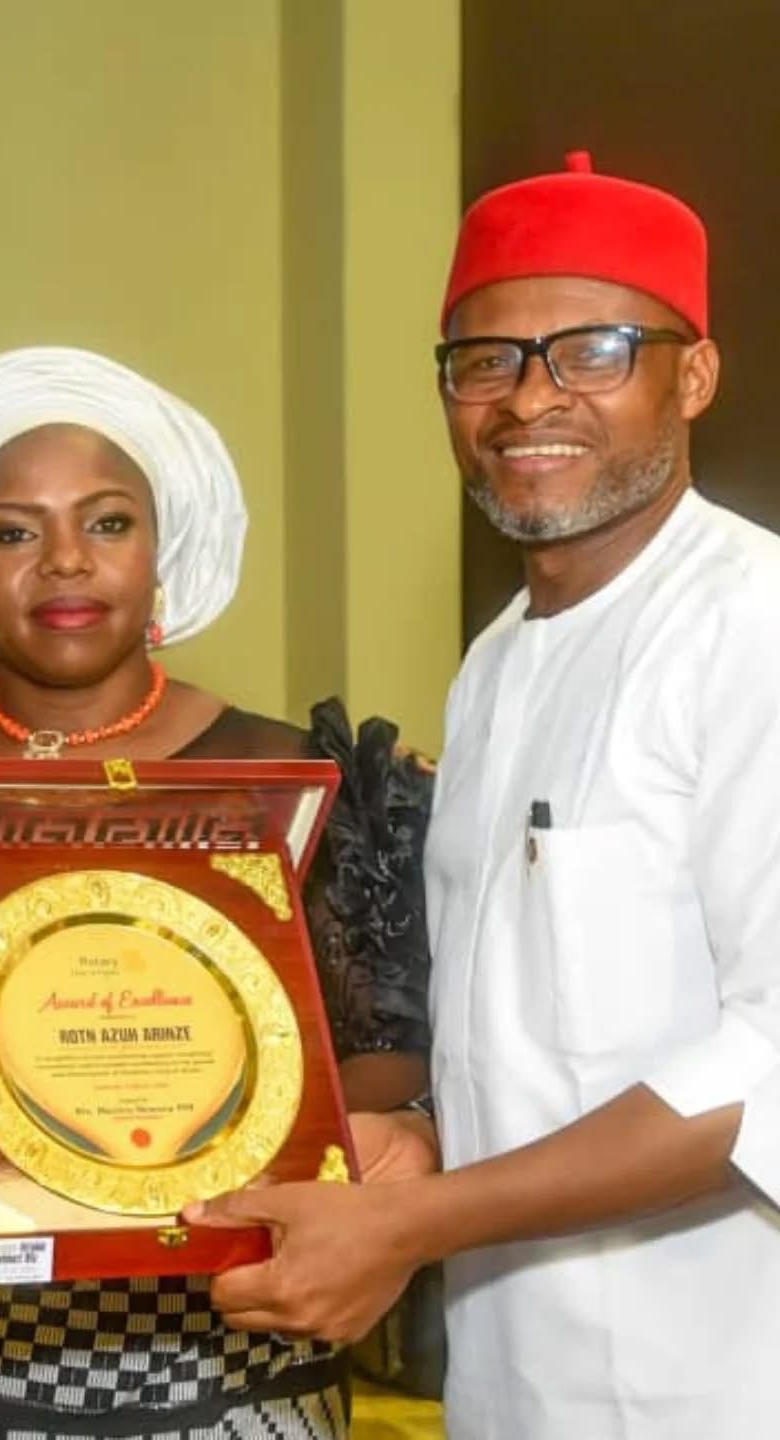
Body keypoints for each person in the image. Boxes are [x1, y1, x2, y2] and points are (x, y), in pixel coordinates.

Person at [187, 151, 780, 1438]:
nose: (530, 398)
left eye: (595, 351)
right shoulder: (500, 662)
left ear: (694, 376)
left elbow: (767, 1063)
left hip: (723, 1385)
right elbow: (545, 1031)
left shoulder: (753, 627)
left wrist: (417, 1221)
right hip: (514, 1387)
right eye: (486, 360)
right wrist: (426, 1135)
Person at [0, 346, 436, 1438]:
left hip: (231, 1354)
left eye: (109, 522)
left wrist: (237, 1152)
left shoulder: (296, 777)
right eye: (13, 532)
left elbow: (385, 1058)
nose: (66, 561)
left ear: (163, 555)